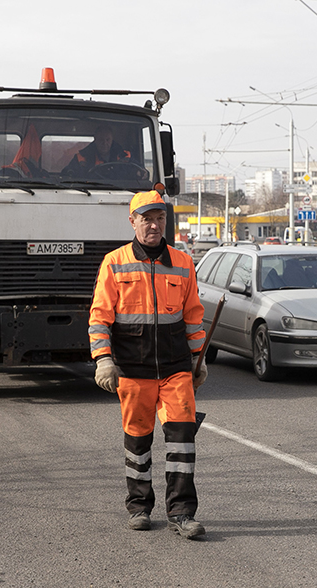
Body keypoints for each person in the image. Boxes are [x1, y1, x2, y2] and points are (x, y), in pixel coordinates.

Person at [88, 190, 208, 540]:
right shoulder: (115, 262)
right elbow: (99, 318)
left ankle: (182, 513)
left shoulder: (183, 263)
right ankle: (139, 507)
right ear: (133, 222)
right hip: (133, 369)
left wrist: (199, 363)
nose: (154, 225)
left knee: (182, 441)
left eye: (159, 218)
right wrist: (104, 361)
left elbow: (193, 318)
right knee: (138, 443)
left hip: (175, 369)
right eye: (147, 219)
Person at [64, 124, 131, 176]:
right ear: (95, 140)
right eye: (101, 140)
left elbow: (139, 174)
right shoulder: (81, 158)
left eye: (108, 140)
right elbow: (66, 176)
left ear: (112, 140)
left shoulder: (125, 156)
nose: (104, 143)